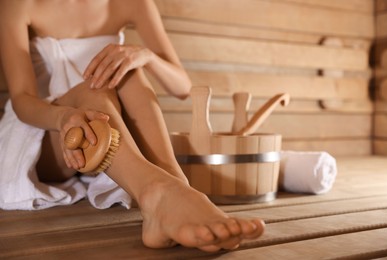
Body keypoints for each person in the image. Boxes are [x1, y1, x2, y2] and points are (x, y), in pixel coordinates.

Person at [0, 0, 265, 252]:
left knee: (129, 71)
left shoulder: (134, 3)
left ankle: (177, 186)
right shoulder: (19, 5)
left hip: (110, 139)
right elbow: (23, 101)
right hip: (46, 134)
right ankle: (157, 195)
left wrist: (145, 55)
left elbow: (183, 87)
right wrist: (63, 117)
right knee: (93, 92)